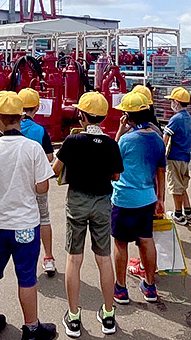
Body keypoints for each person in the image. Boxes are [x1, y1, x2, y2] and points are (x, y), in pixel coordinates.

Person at [0, 91, 57, 340]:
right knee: (26, 278)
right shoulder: (33, 148)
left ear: (0, 120)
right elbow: (43, 187)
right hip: (25, 224)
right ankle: (31, 327)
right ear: (18, 117)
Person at [53, 92, 123, 337]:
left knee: (74, 258)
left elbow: (56, 169)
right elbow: (116, 176)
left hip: (78, 201)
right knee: (103, 259)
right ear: (103, 117)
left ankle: (73, 317)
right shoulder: (111, 144)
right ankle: (108, 314)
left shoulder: (73, 142)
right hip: (103, 201)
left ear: (81, 116)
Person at [110, 92, 166, 304]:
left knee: (120, 243)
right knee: (146, 239)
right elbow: (161, 170)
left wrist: (119, 131)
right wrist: (160, 198)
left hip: (124, 197)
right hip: (147, 197)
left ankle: (121, 288)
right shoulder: (157, 139)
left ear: (128, 116)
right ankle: (150, 286)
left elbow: (113, 160)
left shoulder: (125, 139)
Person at [18, 87, 58, 277]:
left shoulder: (12, 127)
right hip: (37, 180)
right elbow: (49, 156)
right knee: (43, 218)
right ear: (36, 108)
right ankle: (48, 257)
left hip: (16, 182)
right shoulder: (40, 130)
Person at [163, 87, 191, 225]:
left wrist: (160, 154)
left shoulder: (175, 118)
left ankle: (178, 214)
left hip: (174, 156)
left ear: (176, 102)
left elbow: (166, 137)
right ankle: (188, 212)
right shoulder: (187, 117)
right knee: (182, 186)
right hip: (185, 157)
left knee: (175, 187)